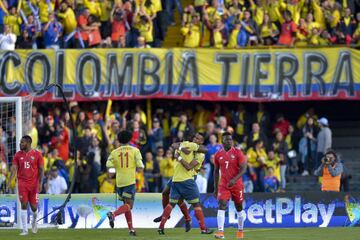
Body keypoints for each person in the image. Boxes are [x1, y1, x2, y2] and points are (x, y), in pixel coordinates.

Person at [157, 133, 213, 235]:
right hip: (182, 177)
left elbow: (188, 164)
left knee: (175, 201)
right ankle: (200, 227)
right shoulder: (187, 145)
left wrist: (179, 155)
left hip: (189, 176)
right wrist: (181, 149)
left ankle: (182, 219)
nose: (195, 139)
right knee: (167, 194)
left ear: (201, 142)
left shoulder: (200, 154)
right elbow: (174, 146)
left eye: (198, 139)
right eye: (195, 137)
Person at [106, 130, 144, 236]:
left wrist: (114, 170)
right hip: (129, 182)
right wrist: (138, 170)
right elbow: (140, 166)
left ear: (119, 140)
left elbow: (109, 165)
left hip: (119, 183)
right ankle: (113, 214)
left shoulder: (114, 152)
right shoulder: (135, 150)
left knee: (126, 206)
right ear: (130, 139)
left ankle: (131, 229)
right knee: (129, 206)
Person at [8, 135, 44, 235]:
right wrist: (10, 181)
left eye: (22, 142)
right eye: (20, 142)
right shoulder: (17, 155)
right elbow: (14, 168)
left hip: (34, 184)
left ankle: (34, 220)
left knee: (34, 207)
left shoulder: (37, 154)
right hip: (22, 183)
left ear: (28, 143)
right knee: (23, 204)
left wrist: (40, 183)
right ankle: (25, 230)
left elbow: (41, 170)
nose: (20, 144)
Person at [214, 132, 247, 239]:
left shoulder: (238, 152)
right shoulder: (218, 154)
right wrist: (215, 188)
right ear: (222, 141)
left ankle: (240, 230)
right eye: (227, 139)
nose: (229, 141)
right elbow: (215, 172)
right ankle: (220, 232)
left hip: (237, 185)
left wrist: (234, 180)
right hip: (223, 184)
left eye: (230, 139)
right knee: (222, 205)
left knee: (239, 208)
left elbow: (243, 169)